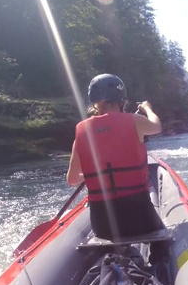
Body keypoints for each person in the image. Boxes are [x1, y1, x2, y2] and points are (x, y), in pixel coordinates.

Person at [66, 73, 164, 241]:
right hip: (140, 218)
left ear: (94, 103)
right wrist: (147, 109)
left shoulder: (82, 131)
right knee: (162, 243)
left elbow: (72, 179)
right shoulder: (135, 121)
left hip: (103, 225)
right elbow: (157, 126)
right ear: (121, 101)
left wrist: (95, 176)